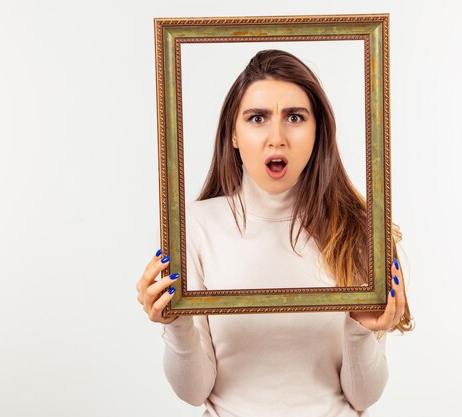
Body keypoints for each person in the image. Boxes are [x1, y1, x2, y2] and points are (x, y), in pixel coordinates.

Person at [136, 49, 414, 417]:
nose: (276, 137)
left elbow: (363, 396)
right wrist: (176, 324)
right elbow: (194, 390)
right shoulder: (193, 227)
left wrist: (361, 332)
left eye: (295, 117)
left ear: (318, 132)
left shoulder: (357, 229)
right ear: (233, 134)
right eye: (257, 118)